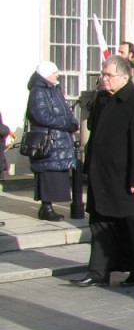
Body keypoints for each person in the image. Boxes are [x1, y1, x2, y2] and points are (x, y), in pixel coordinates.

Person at [73, 57, 134, 287]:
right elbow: (96, 136)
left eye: (108, 75)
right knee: (100, 224)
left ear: (125, 77)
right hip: (102, 175)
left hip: (126, 178)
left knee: (133, 227)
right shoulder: (103, 99)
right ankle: (98, 271)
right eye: (102, 74)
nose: (103, 79)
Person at [25, 61, 78, 221]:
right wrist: (66, 124)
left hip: (57, 140)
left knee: (54, 175)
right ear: (46, 74)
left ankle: (47, 208)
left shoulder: (53, 89)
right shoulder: (38, 91)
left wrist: (72, 122)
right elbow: (41, 115)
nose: (57, 75)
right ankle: (46, 208)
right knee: (47, 175)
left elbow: (65, 110)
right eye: (54, 72)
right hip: (49, 141)